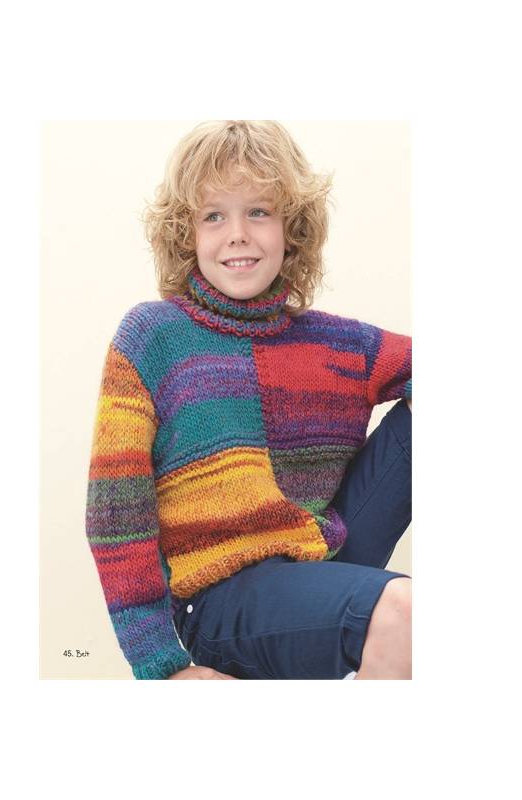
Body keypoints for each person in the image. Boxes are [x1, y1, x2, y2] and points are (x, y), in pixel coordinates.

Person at [85, 120, 412, 680]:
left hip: (317, 556)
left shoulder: (336, 341)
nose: (237, 234)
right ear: (186, 234)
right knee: (406, 612)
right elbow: (116, 514)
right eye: (214, 215)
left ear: (292, 228)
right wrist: (162, 667)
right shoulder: (152, 338)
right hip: (219, 598)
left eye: (258, 211)